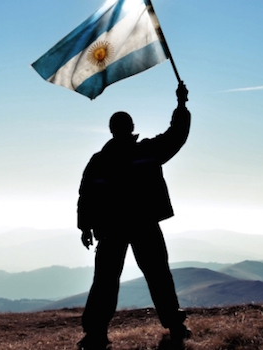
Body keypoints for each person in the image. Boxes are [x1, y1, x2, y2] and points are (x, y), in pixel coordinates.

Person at [76, 82, 191, 350]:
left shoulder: (100, 160)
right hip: (142, 224)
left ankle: (95, 334)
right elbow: (176, 136)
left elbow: (86, 196)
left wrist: (85, 227)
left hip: (113, 228)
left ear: (112, 130)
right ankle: (175, 326)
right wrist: (182, 105)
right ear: (130, 127)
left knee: (106, 282)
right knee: (158, 276)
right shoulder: (145, 152)